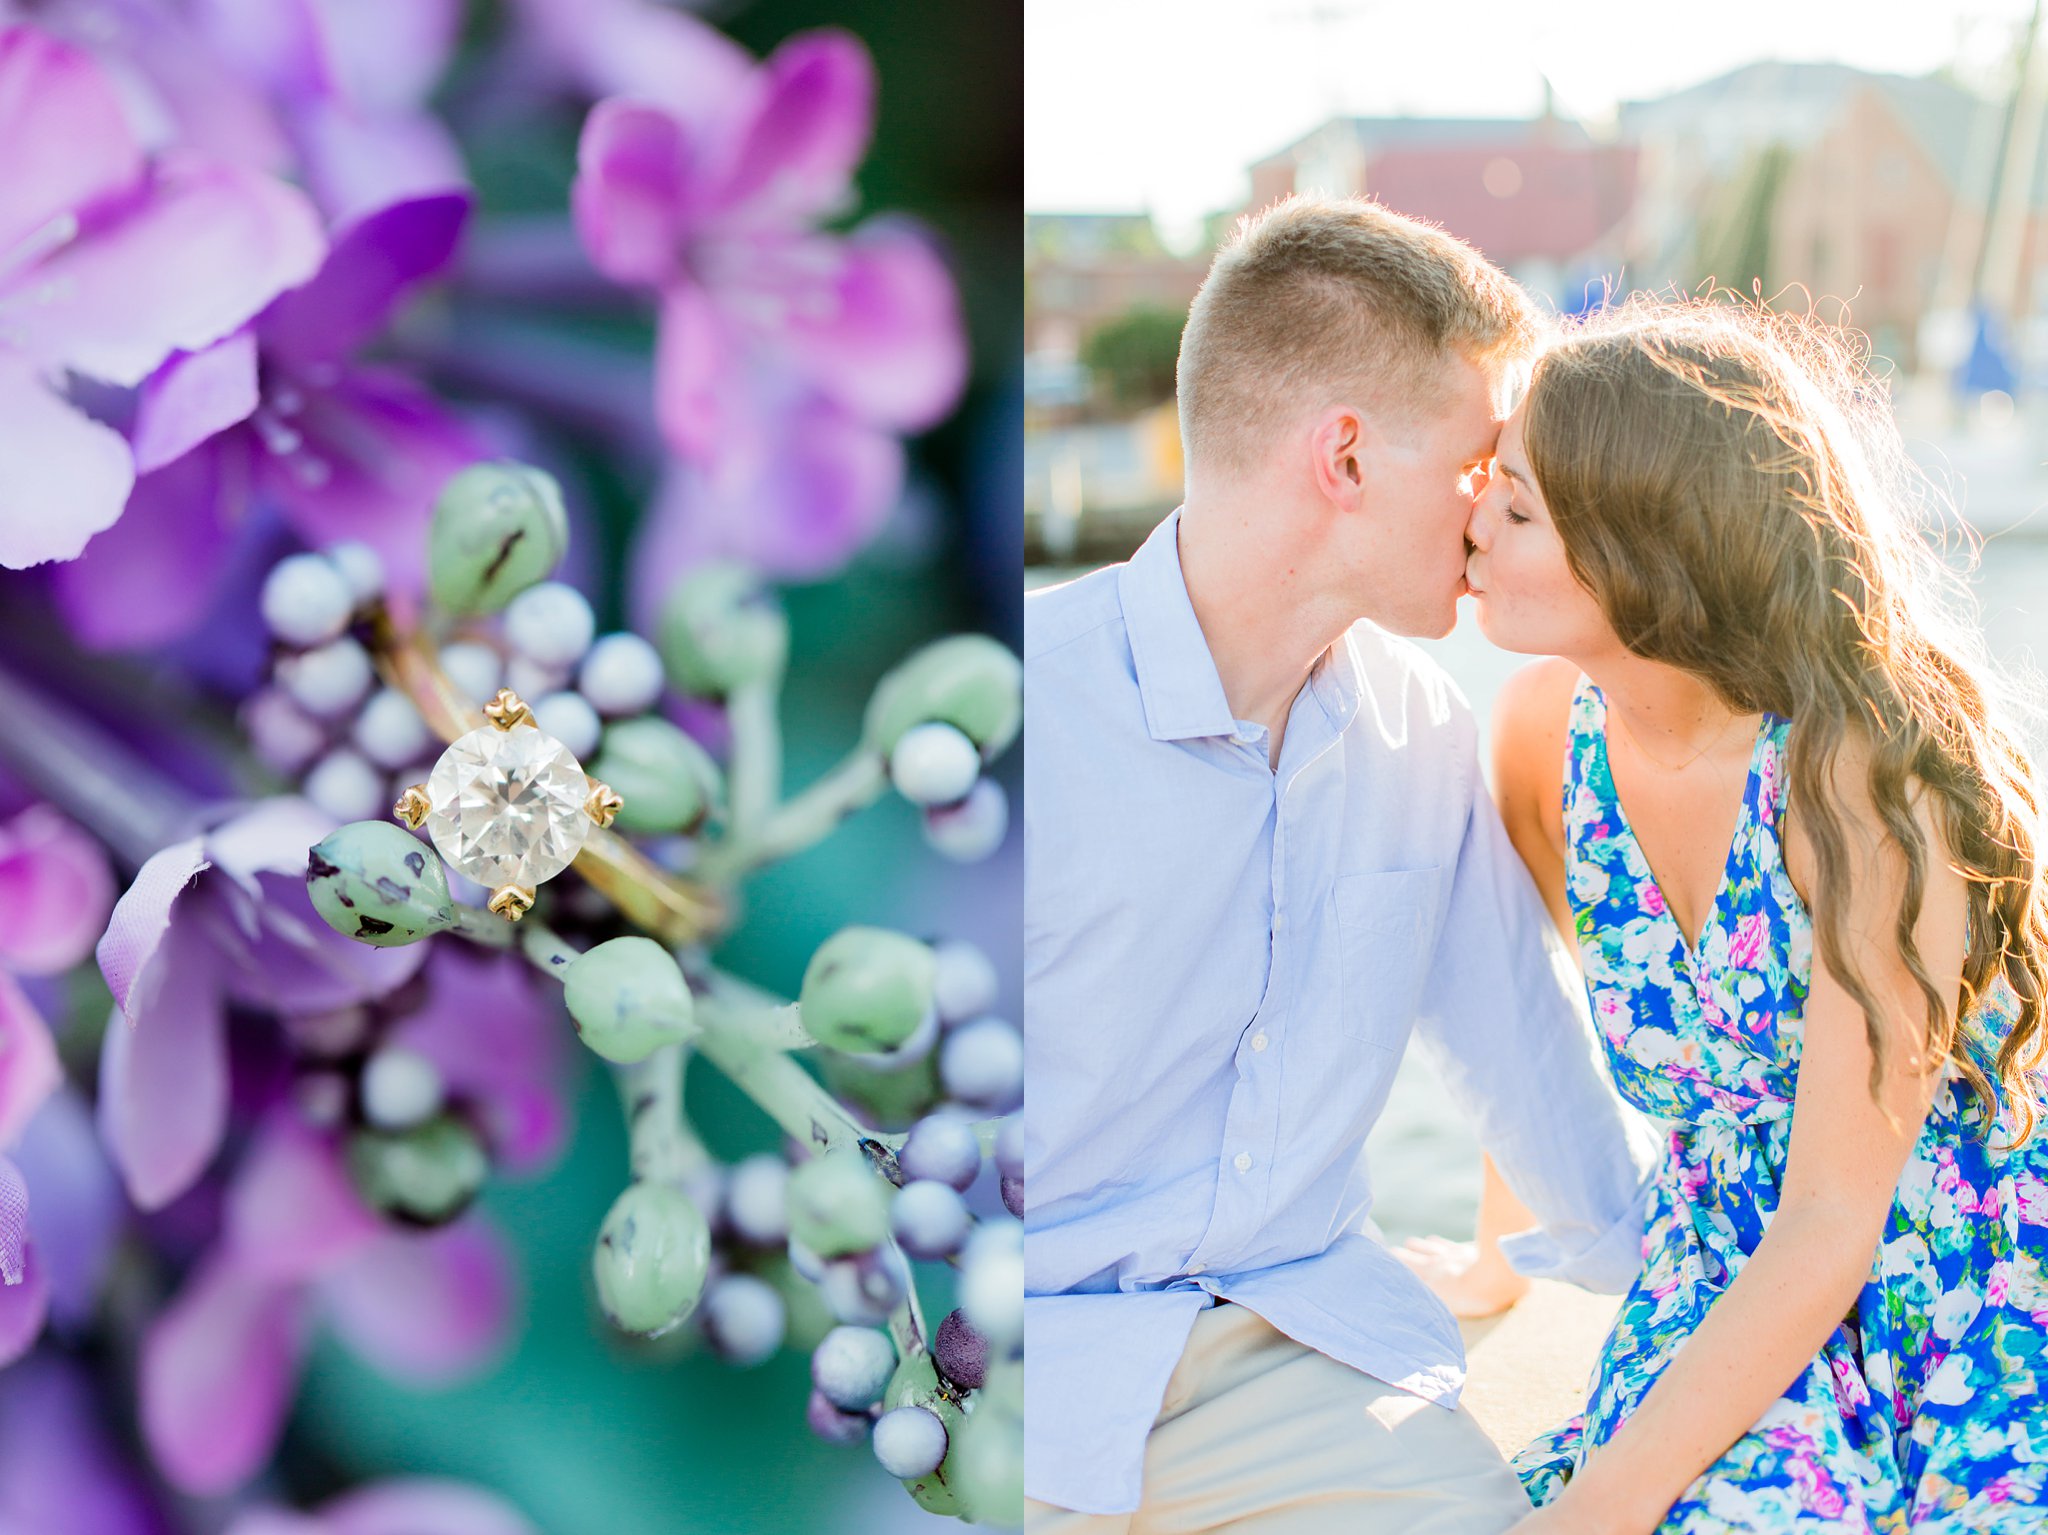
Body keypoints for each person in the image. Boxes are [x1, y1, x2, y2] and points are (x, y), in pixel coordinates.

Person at [1022, 193, 1655, 1533]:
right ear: (1348, 458)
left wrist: (1752, 1279)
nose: (1495, 515)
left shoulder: (1420, 731)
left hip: (1287, 1340)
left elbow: (1529, 1055)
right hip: (1002, 1357)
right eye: (1483, 465)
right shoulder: (1019, 714)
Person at [1454, 297, 2048, 1531]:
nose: (1470, 527)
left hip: (1949, 1270)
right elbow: (1522, 1013)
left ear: (1645, 547)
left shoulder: (1864, 782)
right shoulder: (1538, 737)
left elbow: (1834, 1212)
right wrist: (1490, 1257)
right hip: (1719, 1267)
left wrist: (1593, 1506)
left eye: (1513, 509)